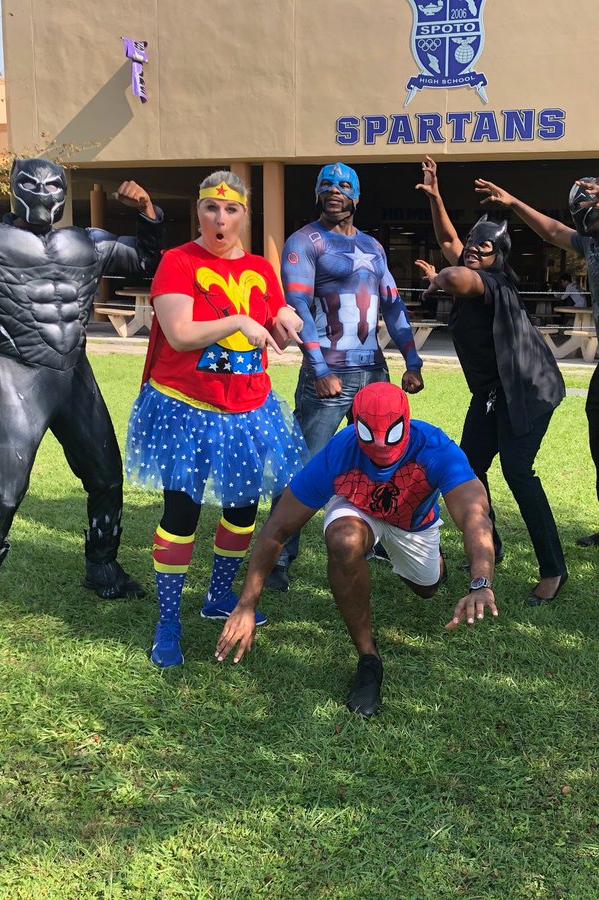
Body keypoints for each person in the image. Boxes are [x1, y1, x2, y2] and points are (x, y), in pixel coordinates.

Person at [0, 158, 164, 640]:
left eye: (53, 184)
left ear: (66, 190)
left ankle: (102, 568)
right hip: (18, 370)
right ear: (14, 188)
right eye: (31, 183)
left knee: (106, 476)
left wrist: (147, 211)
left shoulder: (87, 242)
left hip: (73, 371)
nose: (42, 192)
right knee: (4, 491)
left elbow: (150, 262)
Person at [215, 383, 497, 717]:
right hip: (357, 510)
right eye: (368, 434)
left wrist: (481, 581)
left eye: (390, 435)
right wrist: (246, 604)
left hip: (412, 523)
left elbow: (475, 516)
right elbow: (277, 528)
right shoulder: (339, 452)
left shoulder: (434, 448)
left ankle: (428, 562)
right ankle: (368, 658)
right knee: (344, 540)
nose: (379, 446)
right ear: (354, 424)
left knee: (427, 588)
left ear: (406, 423)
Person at [125, 170, 310, 667]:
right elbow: (181, 334)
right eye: (211, 208)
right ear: (199, 211)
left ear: (245, 215)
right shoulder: (177, 261)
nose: (220, 219)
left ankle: (219, 597)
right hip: (187, 409)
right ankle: (168, 620)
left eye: (231, 210)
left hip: (249, 411)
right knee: (181, 514)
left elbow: (273, 312)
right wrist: (240, 322)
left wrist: (285, 318)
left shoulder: (258, 267)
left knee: (242, 511)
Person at [474, 173, 599, 551]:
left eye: (589, 206)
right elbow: (554, 232)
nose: (582, 215)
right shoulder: (590, 241)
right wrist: (513, 203)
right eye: (577, 209)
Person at [416, 156, 568, 605]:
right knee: (469, 466)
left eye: (485, 249)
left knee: (518, 472)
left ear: (498, 258)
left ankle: (553, 569)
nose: (474, 251)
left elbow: (458, 276)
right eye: (473, 246)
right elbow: (448, 241)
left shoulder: (493, 285)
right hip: (491, 394)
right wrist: (436, 195)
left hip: (529, 390)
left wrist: (438, 279)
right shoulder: (468, 263)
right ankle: (491, 545)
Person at [273, 162, 425, 590]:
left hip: (374, 372)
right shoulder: (305, 241)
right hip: (330, 375)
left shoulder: (373, 247)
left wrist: (412, 361)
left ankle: (372, 538)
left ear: (356, 197)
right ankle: (281, 553)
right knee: (305, 466)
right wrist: (319, 368)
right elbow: (299, 306)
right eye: (326, 185)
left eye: (343, 186)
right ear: (316, 193)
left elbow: (393, 305)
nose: (333, 191)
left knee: (379, 459)